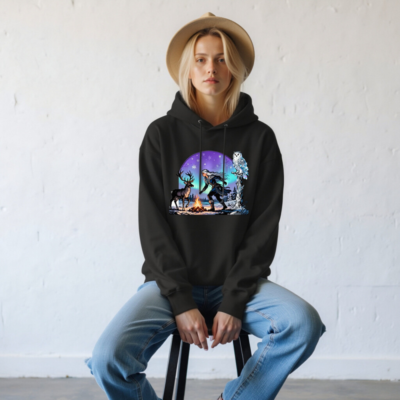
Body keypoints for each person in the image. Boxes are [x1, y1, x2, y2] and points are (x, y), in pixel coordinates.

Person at [84, 12, 326, 400]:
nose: (211, 68)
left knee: (303, 324)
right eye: (201, 59)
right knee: (107, 359)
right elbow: (153, 228)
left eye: (221, 59)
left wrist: (234, 299)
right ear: (188, 68)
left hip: (239, 285)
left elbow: (262, 231)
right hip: (169, 287)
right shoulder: (161, 135)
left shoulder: (260, 139)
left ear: (235, 69)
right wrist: (181, 301)